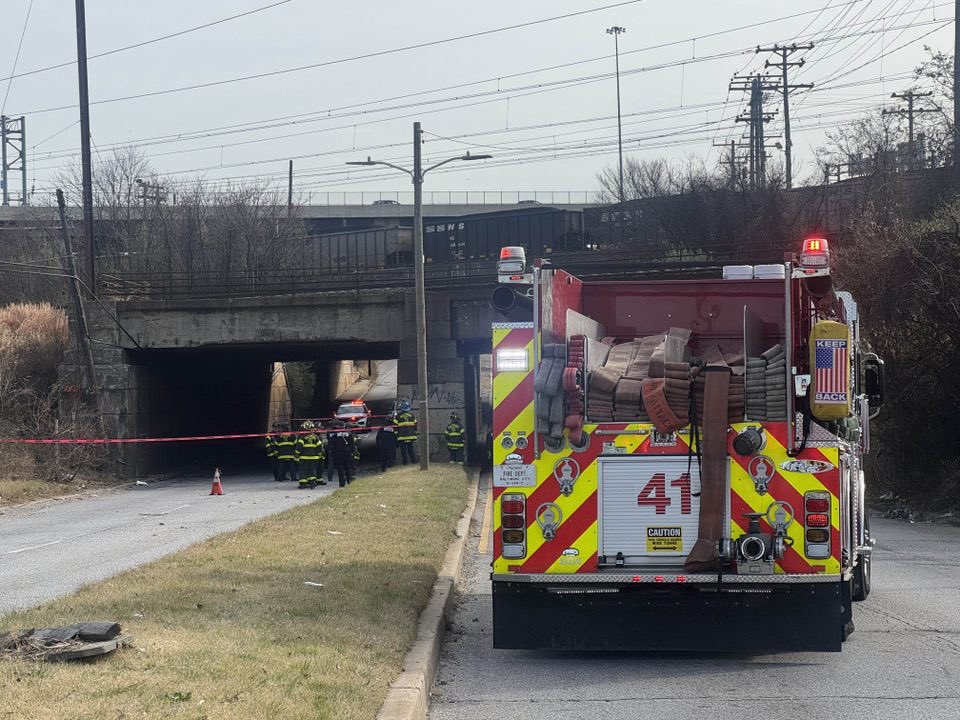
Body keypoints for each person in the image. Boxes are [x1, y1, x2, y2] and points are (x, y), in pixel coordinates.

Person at [328, 420, 356, 487]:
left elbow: (332, 446)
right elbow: (352, 444)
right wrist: (351, 452)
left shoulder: (335, 435)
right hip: (347, 454)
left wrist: (334, 453)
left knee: (340, 469)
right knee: (347, 468)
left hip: (338, 454)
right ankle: (349, 481)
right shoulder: (349, 435)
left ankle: (342, 483)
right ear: (344, 427)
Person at [295, 420, 323, 489]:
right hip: (314, 458)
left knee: (303, 471)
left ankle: (303, 484)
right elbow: (319, 446)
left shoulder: (302, 437)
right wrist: (320, 454)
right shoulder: (316, 437)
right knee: (312, 471)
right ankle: (312, 484)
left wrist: (296, 455)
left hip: (304, 458)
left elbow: (299, 447)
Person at [394, 400, 418, 466]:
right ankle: (414, 461)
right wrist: (415, 433)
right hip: (411, 436)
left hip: (402, 437)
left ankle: (405, 462)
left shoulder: (398, 416)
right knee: (411, 450)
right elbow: (415, 424)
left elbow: (394, 426)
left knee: (403, 451)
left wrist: (396, 434)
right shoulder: (412, 415)